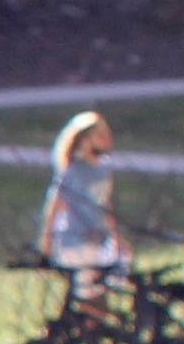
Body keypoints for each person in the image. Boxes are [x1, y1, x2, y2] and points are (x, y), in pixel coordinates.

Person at [38, 109, 127, 288]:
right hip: (74, 241)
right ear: (85, 141)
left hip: (98, 239)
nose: (106, 138)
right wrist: (46, 242)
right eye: (99, 134)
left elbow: (104, 205)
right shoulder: (73, 171)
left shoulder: (103, 170)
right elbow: (55, 206)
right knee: (90, 296)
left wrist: (116, 236)